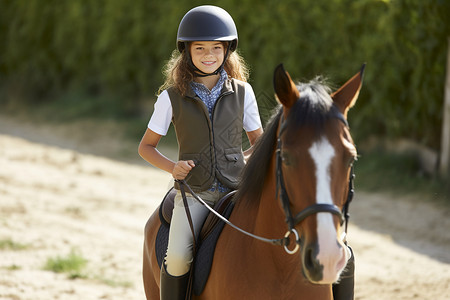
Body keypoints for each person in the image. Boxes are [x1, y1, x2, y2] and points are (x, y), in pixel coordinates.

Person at [138, 5, 263, 299]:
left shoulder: (244, 91)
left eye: (217, 48)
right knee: (178, 258)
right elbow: (145, 147)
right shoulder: (171, 98)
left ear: (227, 50)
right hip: (195, 193)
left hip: (239, 190)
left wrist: (241, 160)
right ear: (187, 53)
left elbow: (258, 141)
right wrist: (173, 168)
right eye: (201, 48)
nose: (209, 54)